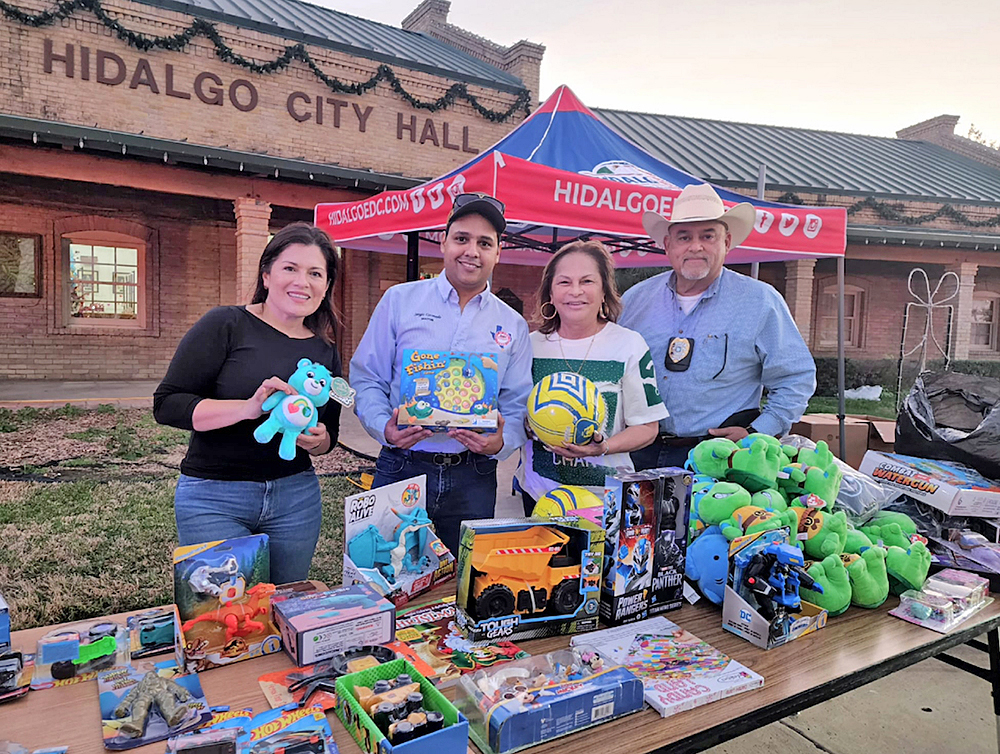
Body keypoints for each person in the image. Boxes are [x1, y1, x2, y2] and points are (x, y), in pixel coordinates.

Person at [154, 222, 343, 585]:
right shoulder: (226, 324)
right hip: (215, 495)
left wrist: (318, 440)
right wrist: (247, 408)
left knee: (284, 607)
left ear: (326, 286)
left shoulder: (324, 352)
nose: (302, 282)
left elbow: (329, 433)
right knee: (221, 618)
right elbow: (168, 404)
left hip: (296, 499)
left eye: (315, 273)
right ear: (267, 274)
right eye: (290, 268)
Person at [350, 193, 532, 555]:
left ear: (498, 252)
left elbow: (516, 402)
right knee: (384, 572)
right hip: (401, 465)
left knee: (461, 584)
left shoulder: (513, 324)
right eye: (461, 238)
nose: (471, 251)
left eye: (484, 243)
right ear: (443, 242)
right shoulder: (399, 301)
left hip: (474, 475)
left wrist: (500, 443)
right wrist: (381, 425)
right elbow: (367, 376)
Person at [619, 183, 816, 471]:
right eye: (684, 237)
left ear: (727, 242)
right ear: (668, 245)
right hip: (637, 454)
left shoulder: (760, 302)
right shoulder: (635, 301)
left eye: (708, 236)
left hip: (718, 458)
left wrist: (755, 434)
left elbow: (795, 378)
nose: (695, 246)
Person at [515, 240, 667, 513]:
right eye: (564, 282)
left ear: (604, 290)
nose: (575, 291)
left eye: (587, 281)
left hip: (606, 500)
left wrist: (604, 447)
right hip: (540, 495)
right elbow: (515, 412)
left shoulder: (629, 345)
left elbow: (647, 428)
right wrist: (527, 426)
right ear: (550, 291)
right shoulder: (530, 345)